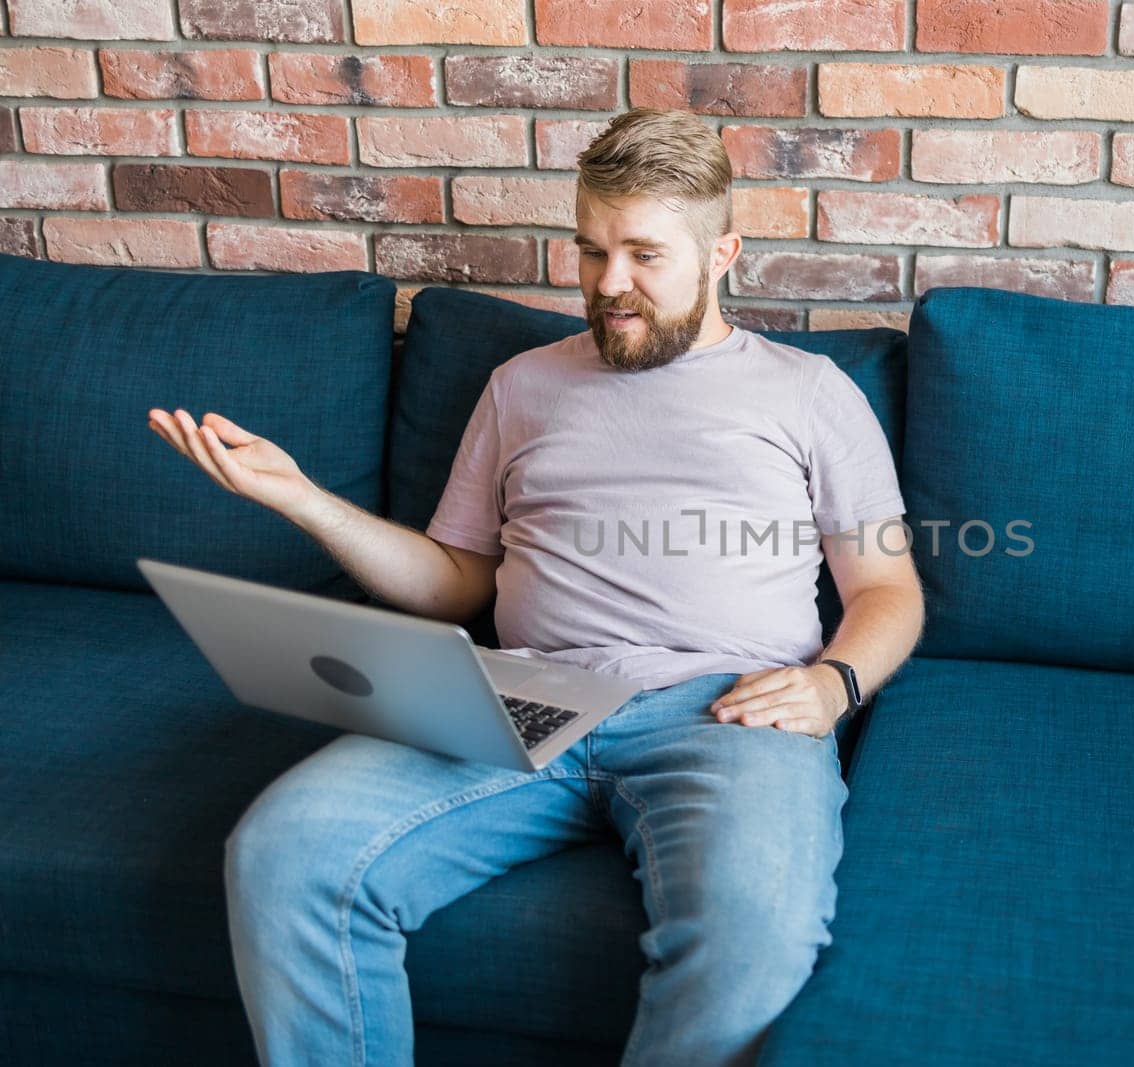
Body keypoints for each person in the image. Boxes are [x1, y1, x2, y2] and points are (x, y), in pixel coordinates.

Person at [146, 106, 924, 1067]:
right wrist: (304, 499)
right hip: (521, 696)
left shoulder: (812, 392)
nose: (612, 286)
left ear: (724, 250)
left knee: (754, 931)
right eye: (592, 253)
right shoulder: (521, 386)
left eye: (644, 254)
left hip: (726, 711)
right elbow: (451, 582)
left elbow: (889, 584)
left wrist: (832, 684)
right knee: (287, 851)